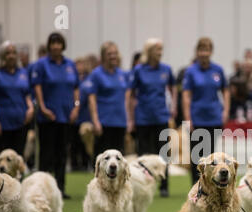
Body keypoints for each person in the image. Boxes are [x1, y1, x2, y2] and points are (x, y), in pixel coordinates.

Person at [31, 32, 80, 199]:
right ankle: (41, 189)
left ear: (63, 45)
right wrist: (42, 108)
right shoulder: (41, 65)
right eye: (53, 43)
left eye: (59, 43)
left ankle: (60, 188)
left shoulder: (70, 65)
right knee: (46, 154)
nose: (56, 46)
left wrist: (76, 107)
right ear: (49, 46)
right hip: (48, 117)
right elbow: (37, 88)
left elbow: (75, 88)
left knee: (61, 154)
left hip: (65, 116)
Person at [129, 38, 176, 197]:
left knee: (163, 153)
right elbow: (131, 94)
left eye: (161, 50)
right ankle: (143, 185)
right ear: (149, 52)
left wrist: (173, 107)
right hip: (143, 118)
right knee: (143, 154)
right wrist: (130, 118)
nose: (160, 53)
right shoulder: (138, 70)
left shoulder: (166, 69)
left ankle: (164, 186)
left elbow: (173, 88)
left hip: (161, 117)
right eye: (157, 50)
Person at [182, 37, 230, 184]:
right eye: (201, 50)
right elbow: (186, 95)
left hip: (214, 117)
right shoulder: (191, 71)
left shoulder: (218, 70)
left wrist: (226, 110)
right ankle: (196, 186)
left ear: (211, 52)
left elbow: (226, 91)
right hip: (197, 118)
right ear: (197, 52)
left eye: (207, 50)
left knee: (211, 156)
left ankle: (210, 185)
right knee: (196, 155)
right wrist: (187, 118)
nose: (204, 53)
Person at [0, 41, 34, 158]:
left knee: (17, 158)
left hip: (21, 122)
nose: (11, 56)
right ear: (2, 55)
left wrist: (30, 108)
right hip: (2, 123)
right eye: (8, 53)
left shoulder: (23, 73)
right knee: (1, 157)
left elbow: (27, 94)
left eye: (14, 52)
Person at [86, 42, 130, 159]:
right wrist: (95, 121)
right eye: (109, 53)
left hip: (120, 122)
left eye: (115, 53)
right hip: (104, 122)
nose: (113, 56)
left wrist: (128, 119)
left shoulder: (122, 74)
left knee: (119, 160)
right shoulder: (96, 74)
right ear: (103, 56)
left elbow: (126, 99)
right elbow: (91, 99)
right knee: (102, 159)